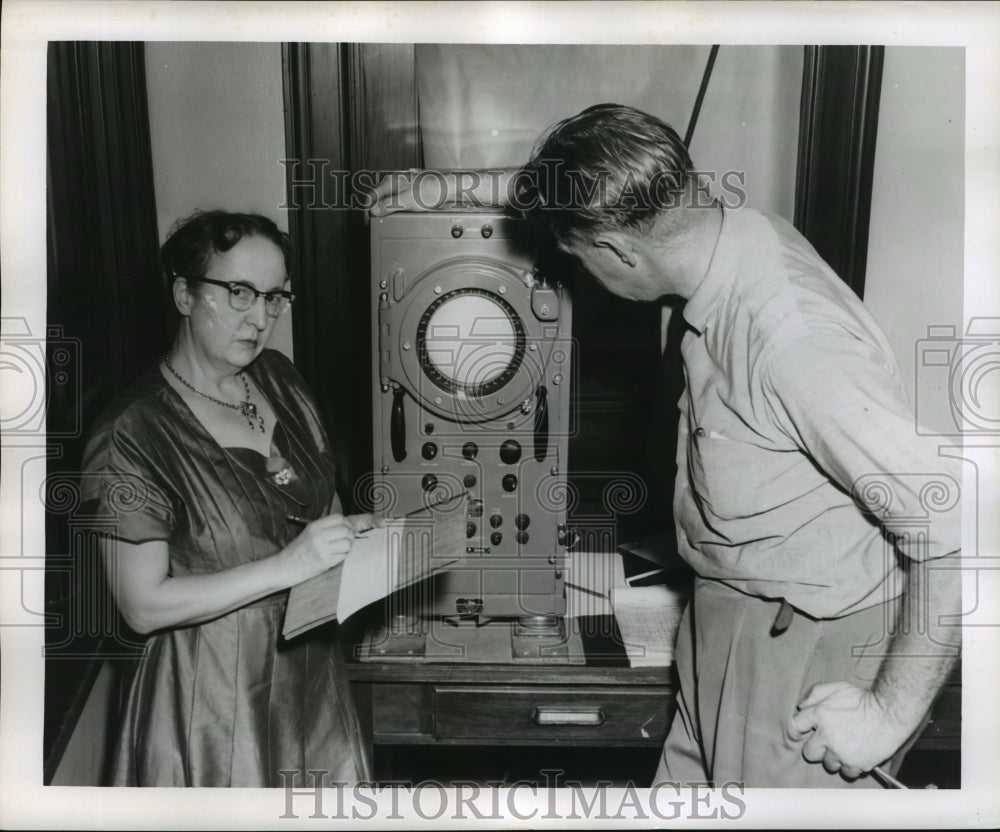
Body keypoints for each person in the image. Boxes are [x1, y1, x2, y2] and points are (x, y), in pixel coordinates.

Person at [369, 103, 963, 788]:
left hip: (804, 653)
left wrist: (886, 715)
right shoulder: (720, 235)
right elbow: (603, 186)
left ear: (619, 250)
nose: (587, 279)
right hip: (727, 621)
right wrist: (453, 188)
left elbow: (951, 518)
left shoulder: (797, 342)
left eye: (582, 261)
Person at [82, 210, 372, 787]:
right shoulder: (130, 433)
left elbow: (325, 509)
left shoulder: (282, 382)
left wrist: (358, 540)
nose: (259, 317)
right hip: (208, 700)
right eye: (239, 292)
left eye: (273, 297)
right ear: (184, 293)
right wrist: (290, 565)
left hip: (309, 675)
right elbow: (142, 606)